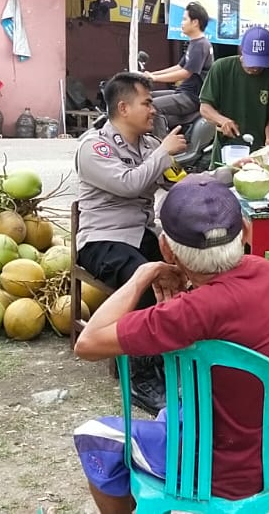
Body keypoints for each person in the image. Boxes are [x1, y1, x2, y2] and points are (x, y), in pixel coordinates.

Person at [71, 177, 269, 514]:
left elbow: (87, 342)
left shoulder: (191, 311)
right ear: (246, 231)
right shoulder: (265, 271)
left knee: (95, 435)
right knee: (175, 412)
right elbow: (223, 314)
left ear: (166, 248)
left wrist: (141, 275)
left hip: (227, 471)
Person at [74, 72, 187, 415]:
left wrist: (229, 174)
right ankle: (142, 379)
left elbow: (180, 184)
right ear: (123, 108)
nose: (153, 109)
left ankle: (167, 356)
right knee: (145, 277)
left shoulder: (150, 146)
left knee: (184, 270)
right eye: (147, 103)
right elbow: (128, 184)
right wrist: (164, 151)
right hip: (102, 240)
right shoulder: (94, 147)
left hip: (141, 236)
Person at [199, 26, 269, 152]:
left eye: (261, 63)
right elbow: (205, 107)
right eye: (251, 61)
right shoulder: (221, 69)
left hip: (260, 151)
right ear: (241, 51)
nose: (255, 68)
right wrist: (222, 120)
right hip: (225, 148)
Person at [145, 2, 213, 131]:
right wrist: (152, 74)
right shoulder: (195, 43)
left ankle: (161, 141)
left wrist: (155, 78)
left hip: (191, 97)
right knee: (147, 97)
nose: (182, 23)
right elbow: (179, 67)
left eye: (185, 19)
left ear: (195, 22)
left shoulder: (200, 45)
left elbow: (185, 73)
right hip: (183, 92)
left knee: (153, 106)